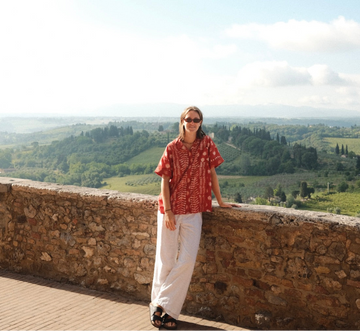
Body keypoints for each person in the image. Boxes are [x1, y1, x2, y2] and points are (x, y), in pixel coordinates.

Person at [149, 106, 234, 329]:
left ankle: (159, 303)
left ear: (201, 122)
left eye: (197, 119)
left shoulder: (207, 145)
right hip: (171, 210)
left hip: (194, 211)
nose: (193, 122)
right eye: (189, 119)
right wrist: (168, 212)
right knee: (166, 259)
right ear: (182, 121)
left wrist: (221, 201)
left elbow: (213, 172)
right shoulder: (171, 148)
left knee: (186, 260)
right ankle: (166, 312)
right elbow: (164, 181)